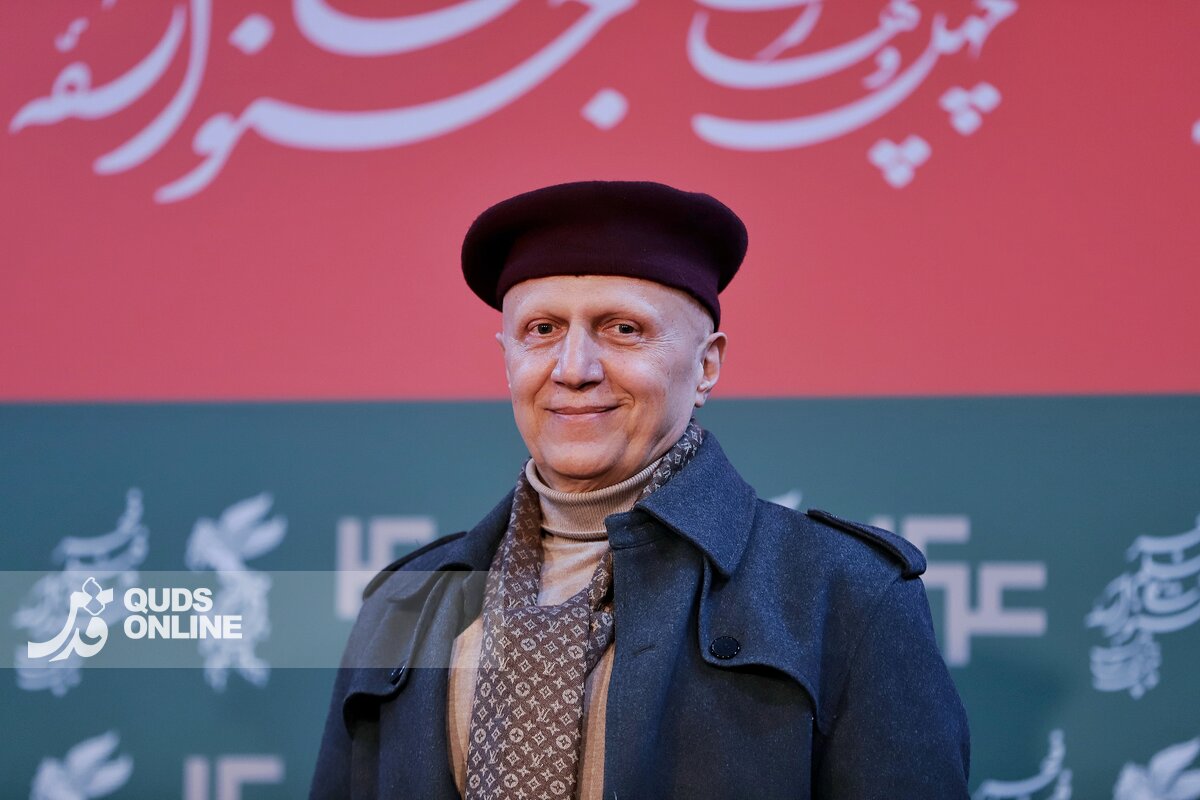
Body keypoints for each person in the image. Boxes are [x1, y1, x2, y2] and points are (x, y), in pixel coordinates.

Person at [310, 181, 970, 799]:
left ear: (707, 364)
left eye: (623, 329)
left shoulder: (846, 593)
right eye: (542, 331)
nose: (573, 369)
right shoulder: (405, 602)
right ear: (506, 357)